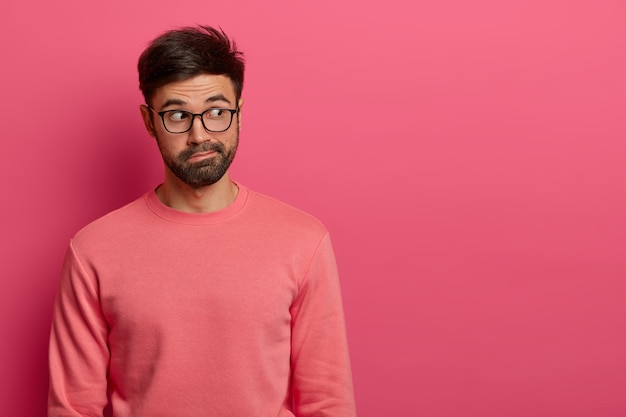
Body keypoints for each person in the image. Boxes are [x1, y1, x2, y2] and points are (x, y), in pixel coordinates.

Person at [48, 25, 356, 417]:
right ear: (149, 121)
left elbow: (328, 402)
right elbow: (74, 408)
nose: (198, 135)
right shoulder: (93, 250)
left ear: (239, 114)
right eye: (177, 115)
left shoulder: (302, 240)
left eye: (216, 112)